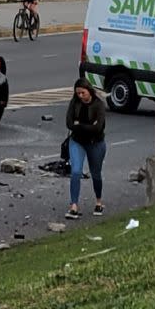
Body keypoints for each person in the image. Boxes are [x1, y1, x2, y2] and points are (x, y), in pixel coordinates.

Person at [65, 78, 107, 219]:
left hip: (96, 143)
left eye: (83, 93)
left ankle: (99, 201)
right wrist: (86, 126)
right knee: (76, 171)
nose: (80, 96)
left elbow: (98, 127)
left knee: (96, 174)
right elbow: (69, 123)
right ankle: (74, 206)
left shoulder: (98, 105)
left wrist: (80, 125)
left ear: (89, 91)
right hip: (77, 141)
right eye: (78, 93)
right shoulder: (75, 102)